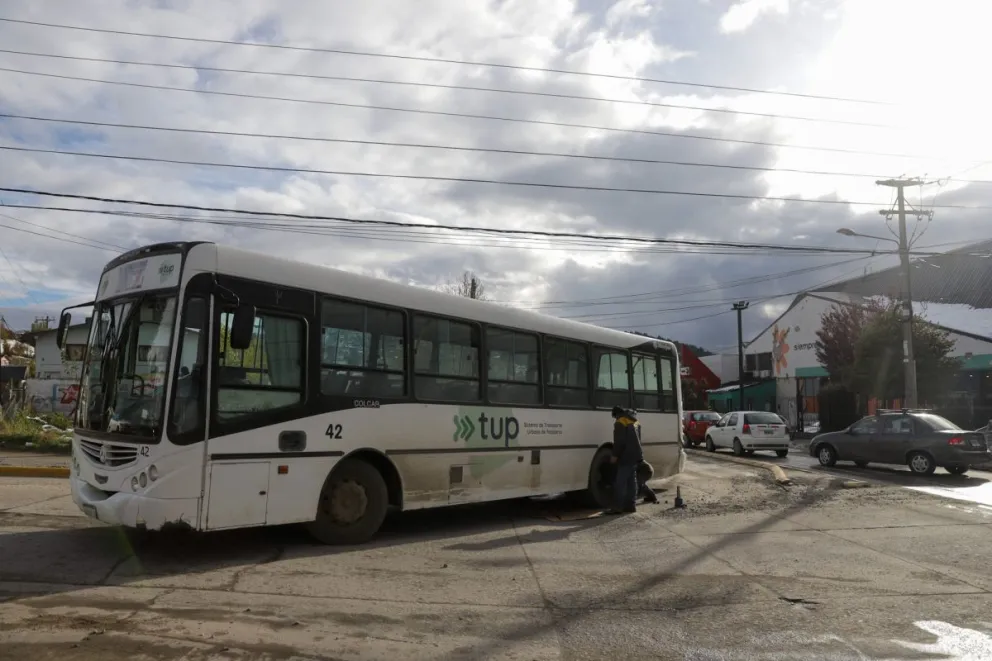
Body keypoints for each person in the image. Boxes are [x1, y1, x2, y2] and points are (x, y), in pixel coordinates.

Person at [607, 406, 643, 514]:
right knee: (632, 481)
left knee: (620, 482)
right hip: (635, 455)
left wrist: (615, 455)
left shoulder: (620, 422)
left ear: (616, 414)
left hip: (626, 456)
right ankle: (631, 506)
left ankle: (617, 507)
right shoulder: (635, 421)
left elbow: (619, 441)